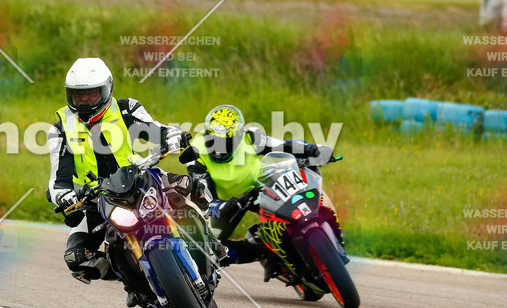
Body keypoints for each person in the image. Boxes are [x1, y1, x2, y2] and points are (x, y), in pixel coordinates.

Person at [47, 58, 191, 295]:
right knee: (76, 258)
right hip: (96, 200)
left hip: (139, 180)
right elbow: (57, 179)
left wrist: (172, 135)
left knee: (187, 185)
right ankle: (132, 279)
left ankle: (210, 243)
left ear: (107, 89)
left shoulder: (126, 109)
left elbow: (156, 130)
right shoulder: (60, 129)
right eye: (78, 95)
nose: (85, 100)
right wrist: (63, 196)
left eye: (91, 94)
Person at [182, 105, 343, 282]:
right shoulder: (196, 153)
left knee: (298, 198)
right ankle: (262, 252)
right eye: (213, 141)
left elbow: (283, 146)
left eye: (225, 142)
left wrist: (313, 149)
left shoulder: (250, 136)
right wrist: (224, 205)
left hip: (260, 186)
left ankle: (320, 235)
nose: (219, 149)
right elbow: (202, 196)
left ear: (238, 136)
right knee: (208, 248)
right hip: (227, 203)